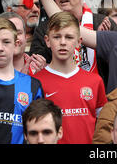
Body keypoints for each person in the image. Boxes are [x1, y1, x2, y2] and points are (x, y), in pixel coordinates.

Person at [33, 11, 107, 144]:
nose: (62, 42)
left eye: (69, 37)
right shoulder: (36, 82)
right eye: (57, 37)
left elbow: (104, 126)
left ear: (79, 42)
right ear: (47, 41)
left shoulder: (95, 81)